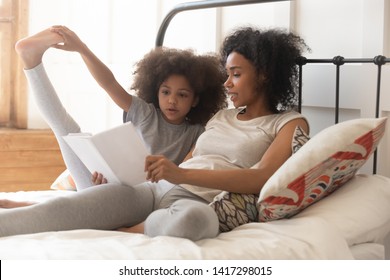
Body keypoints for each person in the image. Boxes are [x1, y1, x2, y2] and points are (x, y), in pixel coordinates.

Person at [0, 27, 309, 241]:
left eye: (236, 74)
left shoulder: (290, 124)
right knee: (74, 207)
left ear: (265, 75)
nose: (227, 83)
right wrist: (166, 173)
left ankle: (126, 228)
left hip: (194, 201)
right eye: (227, 74)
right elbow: (189, 161)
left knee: (197, 221)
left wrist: (180, 175)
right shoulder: (220, 117)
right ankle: (110, 219)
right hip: (152, 190)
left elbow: (260, 177)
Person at [15, 26, 227, 189]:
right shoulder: (146, 113)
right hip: (105, 185)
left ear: (196, 100)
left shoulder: (197, 133)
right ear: (156, 91)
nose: (172, 100)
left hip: (144, 199)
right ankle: (32, 62)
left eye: (182, 95)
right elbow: (109, 84)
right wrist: (82, 49)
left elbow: (183, 176)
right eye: (165, 92)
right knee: (69, 130)